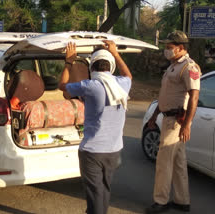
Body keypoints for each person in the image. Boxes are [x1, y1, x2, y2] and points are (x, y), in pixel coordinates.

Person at [59, 41, 132, 214]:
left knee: (95, 193)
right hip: (114, 150)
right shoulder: (122, 85)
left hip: (92, 152)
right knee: (103, 189)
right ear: (111, 66)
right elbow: (128, 75)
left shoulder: (90, 86)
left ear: (92, 67)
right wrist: (116, 53)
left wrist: (69, 62)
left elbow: (62, 87)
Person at [145, 31, 201, 214]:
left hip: (176, 121)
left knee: (163, 163)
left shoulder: (189, 67)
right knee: (178, 163)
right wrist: (154, 116)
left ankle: (160, 201)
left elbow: (193, 97)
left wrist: (186, 125)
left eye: (169, 47)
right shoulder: (172, 67)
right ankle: (182, 200)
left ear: (181, 48)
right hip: (168, 117)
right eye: (166, 47)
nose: (166, 51)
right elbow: (166, 95)